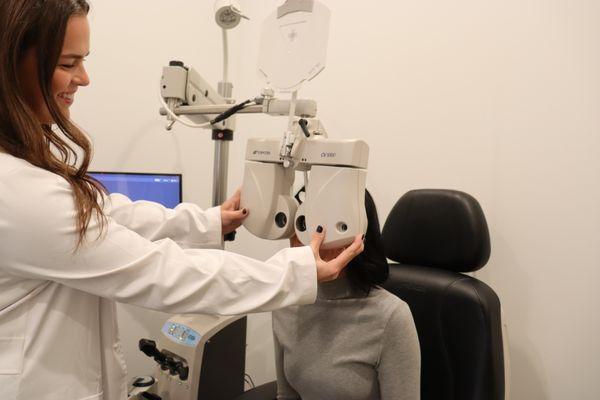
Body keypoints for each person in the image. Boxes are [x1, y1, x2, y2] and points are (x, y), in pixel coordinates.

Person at [0, 1, 364, 399]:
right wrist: (294, 272)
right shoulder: (18, 192)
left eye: (83, 62)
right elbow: (161, 272)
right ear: (10, 62)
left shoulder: (23, 171)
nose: (84, 78)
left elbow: (108, 213)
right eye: (68, 64)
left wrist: (210, 221)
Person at [272, 191, 421, 400]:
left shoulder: (391, 316)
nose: (306, 240)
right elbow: (286, 395)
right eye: (302, 224)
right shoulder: (286, 303)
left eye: (320, 228)